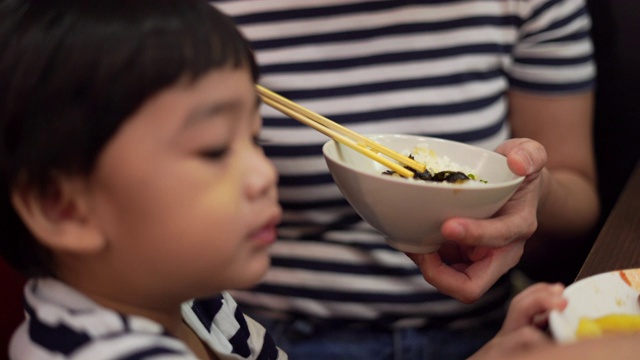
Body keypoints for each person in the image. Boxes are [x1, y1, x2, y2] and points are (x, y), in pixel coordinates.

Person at [209, 1, 600, 359]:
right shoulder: (205, 20)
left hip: (476, 332)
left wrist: (532, 189)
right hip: (268, 336)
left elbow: (579, 195)